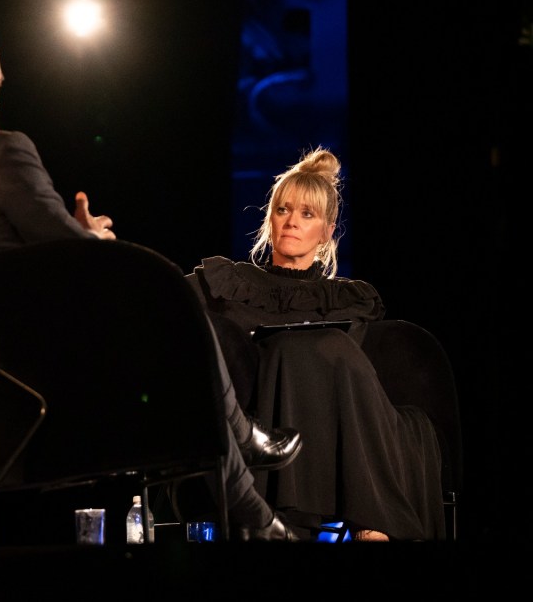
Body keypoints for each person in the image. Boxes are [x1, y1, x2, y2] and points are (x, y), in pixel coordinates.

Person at [0, 18, 301, 541]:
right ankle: (252, 489)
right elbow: (78, 269)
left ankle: (254, 496)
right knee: (172, 306)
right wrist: (92, 243)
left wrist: (67, 238)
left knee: (175, 315)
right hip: (32, 402)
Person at [186, 146, 446, 541]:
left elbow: (356, 382)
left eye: (307, 214)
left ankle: (372, 527)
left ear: (327, 231)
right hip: (259, 422)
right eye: (283, 210)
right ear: (269, 218)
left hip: (344, 422)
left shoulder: (347, 298)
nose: (291, 222)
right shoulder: (228, 283)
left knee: (328, 349)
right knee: (293, 349)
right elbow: (163, 301)